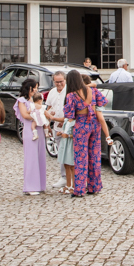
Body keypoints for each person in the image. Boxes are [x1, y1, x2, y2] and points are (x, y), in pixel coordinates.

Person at [64, 69, 108, 197]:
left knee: (81, 158)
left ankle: (79, 190)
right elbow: (104, 101)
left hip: (82, 124)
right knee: (95, 156)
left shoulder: (71, 95)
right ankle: (94, 186)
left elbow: (69, 115)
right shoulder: (92, 91)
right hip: (95, 123)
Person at [16, 80, 48, 195]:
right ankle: (30, 186)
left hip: (39, 128)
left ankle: (40, 184)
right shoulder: (22, 101)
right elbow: (25, 115)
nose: (36, 90)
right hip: (30, 129)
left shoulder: (37, 99)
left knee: (40, 156)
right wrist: (38, 115)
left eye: (37, 88)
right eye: (34, 88)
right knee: (31, 157)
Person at [46, 71, 69, 189]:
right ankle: (64, 177)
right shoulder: (52, 92)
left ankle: (71, 178)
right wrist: (48, 123)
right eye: (56, 82)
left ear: (65, 80)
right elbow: (48, 108)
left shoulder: (69, 91)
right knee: (60, 152)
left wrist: (64, 120)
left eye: (61, 81)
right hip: (56, 127)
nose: (59, 84)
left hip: (68, 127)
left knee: (69, 153)